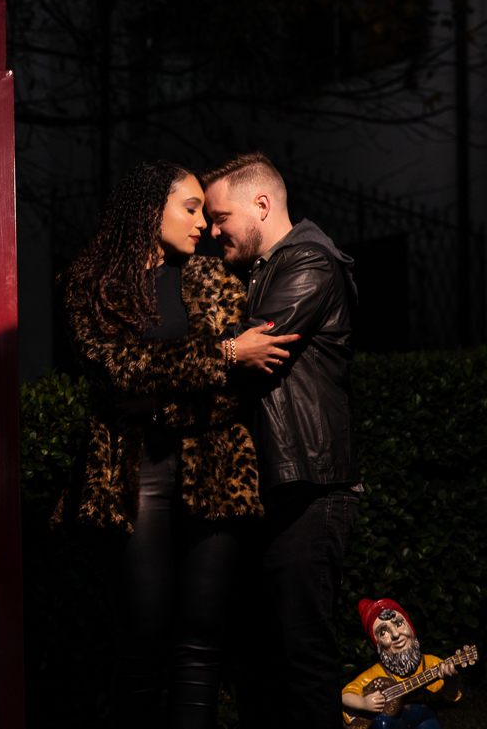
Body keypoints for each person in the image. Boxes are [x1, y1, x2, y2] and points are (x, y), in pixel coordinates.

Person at [57, 160, 296, 729]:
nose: (203, 225)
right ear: (150, 209)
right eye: (190, 209)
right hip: (129, 474)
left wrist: (164, 398)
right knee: (142, 638)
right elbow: (118, 368)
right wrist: (224, 354)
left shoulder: (214, 279)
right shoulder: (91, 283)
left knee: (201, 642)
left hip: (215, 471)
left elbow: (232, 390)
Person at [201, 151, 361, 729]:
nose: (211, 231)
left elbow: (255, 344)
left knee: (301, 656)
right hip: (278, 486)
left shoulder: (309, 261)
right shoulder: (261, 269)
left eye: (220, 217)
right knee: (261, 661)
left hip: (309, 487)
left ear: (262, 205)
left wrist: (204, 351)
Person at [341, 598, 465, 729]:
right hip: (394, 724)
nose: (396, 634)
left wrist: (451, 680)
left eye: (399, 624)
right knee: (382, 723)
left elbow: (450, 697)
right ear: (377, 644)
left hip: (425, 721)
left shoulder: (431, 664)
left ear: (410, 627)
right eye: (383, 633)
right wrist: (363, 703)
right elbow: (344, 695)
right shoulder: (377, 673)